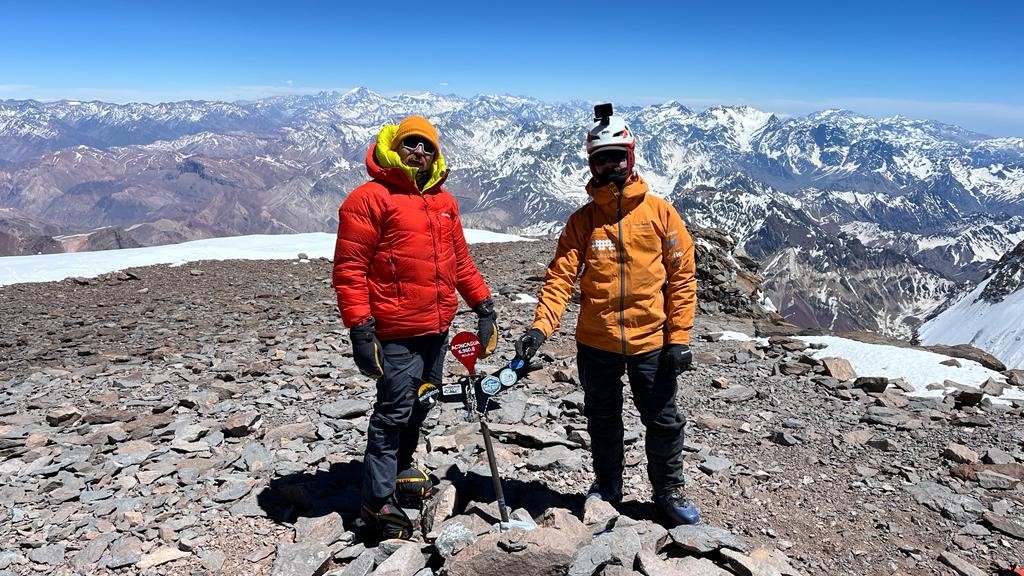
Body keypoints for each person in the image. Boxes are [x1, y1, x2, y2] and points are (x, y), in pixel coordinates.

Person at [515, 104, 700, 525]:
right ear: (591, 164)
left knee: (664, 420)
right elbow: (560, 277)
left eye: (617, 155)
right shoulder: (582, 221)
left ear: (630, 157)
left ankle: (668, 491)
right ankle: (608, 487)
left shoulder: (661, 215)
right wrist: (540, 329)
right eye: (601, 158)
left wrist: (679, 338)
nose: (610, 164)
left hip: (651, 341)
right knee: (602, 418)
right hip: (595, 342)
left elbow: (683, 279)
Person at [332, 114, 498, 539]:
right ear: (395, 147)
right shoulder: (369, 199)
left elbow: (459, 261)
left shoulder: (444, 202)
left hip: (437, 328)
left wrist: (483, 306)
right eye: (411, 144)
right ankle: (376, 500)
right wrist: (360, 329)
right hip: (395, 330)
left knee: (422, 401)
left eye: (428, 147)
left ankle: (403, 468)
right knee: (392, 412)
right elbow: (350, 269)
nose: (419, 153)